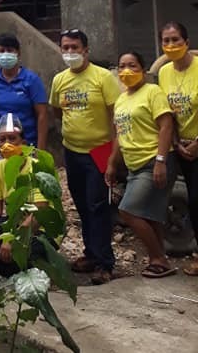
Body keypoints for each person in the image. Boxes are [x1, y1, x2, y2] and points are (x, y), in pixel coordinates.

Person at [49, 29, 120, 285]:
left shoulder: (103, 78)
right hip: (72, 150)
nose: (70, 53)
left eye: (75, 47)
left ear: (86, 50)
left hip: (99, 150)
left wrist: (113, 156)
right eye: (65, 48)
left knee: (98, 205)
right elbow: (58, 112)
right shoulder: (59, 80)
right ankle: (91, 253)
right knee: (81, 204)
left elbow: (116, 116)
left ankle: (105, 263)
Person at [106, 51, 177, 278]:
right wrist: (111, 163)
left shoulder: (152, 92)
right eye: (122, 66)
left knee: (128, 211)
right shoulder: (121, 99)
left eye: (132, 66)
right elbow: (119, 134)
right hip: (133, 164)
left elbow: (166, 126)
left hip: (153, 160)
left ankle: (157, 258)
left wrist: (160, 161)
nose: (126, 71)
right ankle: (162, 260)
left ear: (144, 70)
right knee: (150, 214)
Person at [0, 114, 55, 277]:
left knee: (26, 246)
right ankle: (9, 273)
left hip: (42, 229)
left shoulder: (38, 167)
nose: (6, 144)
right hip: (17, 224)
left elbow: (39, 214)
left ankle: (35, 267)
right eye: (2, 140)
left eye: (12, 139)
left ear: (23, 143)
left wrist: (11, 239)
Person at [157, 21, 198, 276]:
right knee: (193, 202)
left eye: (175, 40)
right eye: (166, 41)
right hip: (179, 146)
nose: (171, 45)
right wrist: (173, 142)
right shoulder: (163, 73)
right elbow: (165, 113)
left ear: (187, 43)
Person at [0, 33, 48, 170]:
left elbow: (42, 115)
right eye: (2, 51)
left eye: (10, 50)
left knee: (26, 186)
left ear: (18, 53)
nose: (5, 54)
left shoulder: (31, 80)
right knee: (1, 186)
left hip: (27, 145)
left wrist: (40, 151)